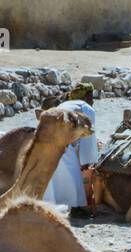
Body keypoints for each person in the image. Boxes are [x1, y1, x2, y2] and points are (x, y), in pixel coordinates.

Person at [42, 83, 98, 214]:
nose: (93, 100)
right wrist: (86, 161)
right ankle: (78, 207)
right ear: (86, 96)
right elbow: (88, 137)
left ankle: (58, 205)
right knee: (74, 175)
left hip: (48, 141)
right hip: (63, 143)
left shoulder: (65, 105)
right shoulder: (86, 108)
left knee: (57, 177)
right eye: (91, 97)